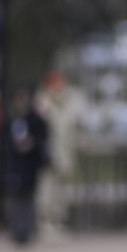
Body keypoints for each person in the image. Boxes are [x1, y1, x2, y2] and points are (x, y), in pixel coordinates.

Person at [35, 70, 86, 238]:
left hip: (66, 153)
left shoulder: (71, 101)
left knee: (63, 190)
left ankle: (58, 221)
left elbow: (78, 122)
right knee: (47, 188)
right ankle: (45, 221)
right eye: (55, 83)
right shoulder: (43, 101)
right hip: (49, 153)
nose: (59, 86)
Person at [2, 85, 49, 246]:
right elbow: (5, 141)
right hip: (15, 164)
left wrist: (33, 144)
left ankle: (28, 231)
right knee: (15, 198)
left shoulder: (35, 119)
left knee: (28, 198)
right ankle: (17, 231)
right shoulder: (10, 119)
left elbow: (42, 139)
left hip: (30, 164)